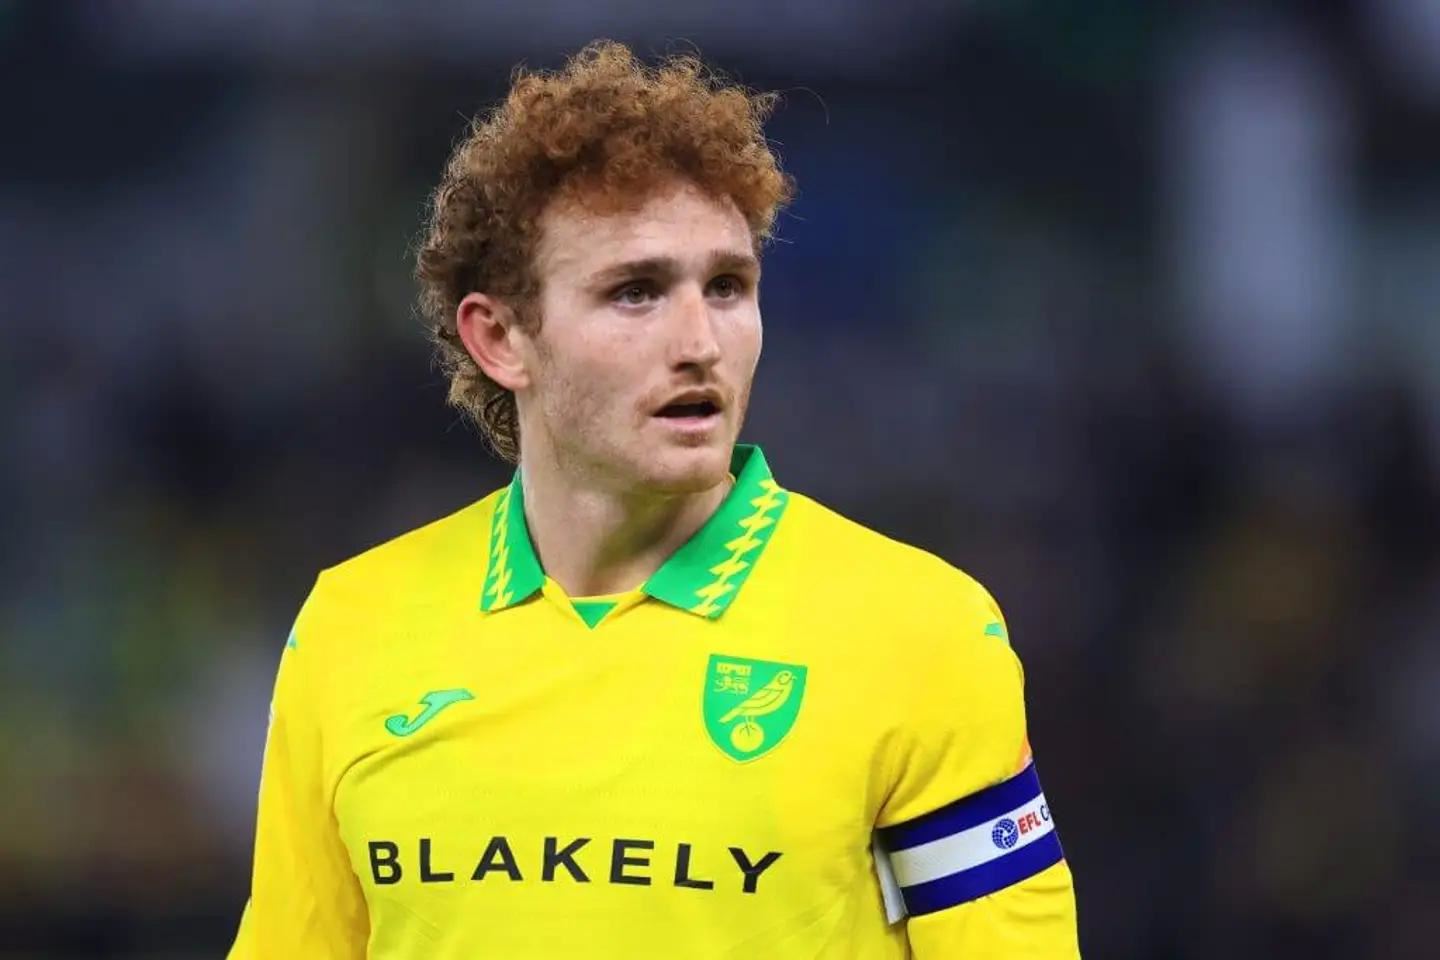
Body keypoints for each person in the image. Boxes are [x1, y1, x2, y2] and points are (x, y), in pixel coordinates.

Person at [227, 40, 1080, 958]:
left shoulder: (921, 633)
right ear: (500, 339)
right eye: (636, 293)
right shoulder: (353, 625)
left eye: (728, 287)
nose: (700, 342)